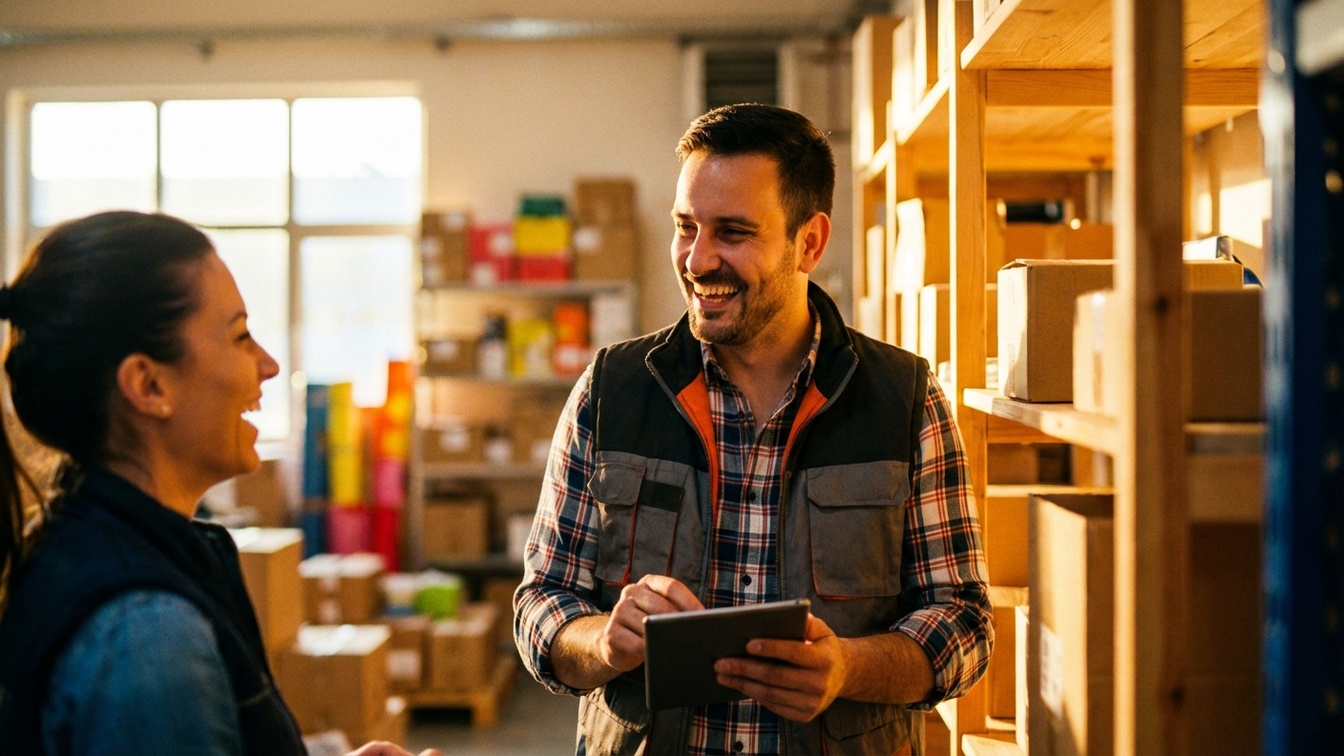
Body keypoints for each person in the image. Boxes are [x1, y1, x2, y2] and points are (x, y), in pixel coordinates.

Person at [514, 104, 994, 755]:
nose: (698, 259)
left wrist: (849, 667)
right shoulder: (610, 392)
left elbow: (963, 625)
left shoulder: (903, 401)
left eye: (733, 233)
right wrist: (603, 640)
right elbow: (541, 606)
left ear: (811, 243)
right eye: (686, 227)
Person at [0, 211, 438, 756]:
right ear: (149, 384)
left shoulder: (109, 542)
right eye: (239, 336)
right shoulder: (145, 635)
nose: (269, 365)